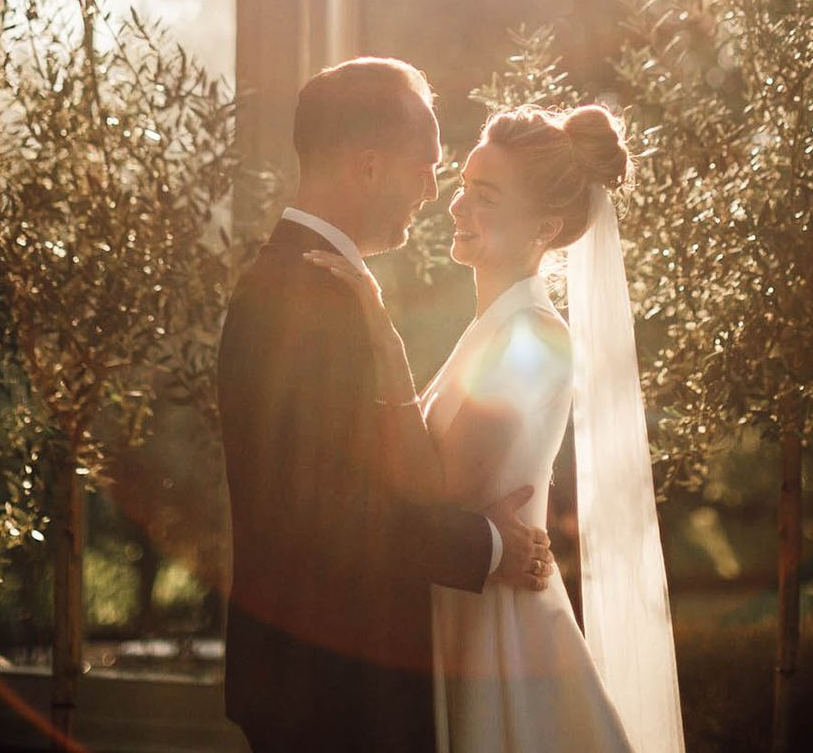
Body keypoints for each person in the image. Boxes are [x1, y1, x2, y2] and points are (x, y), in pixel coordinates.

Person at [308, 103, 685, 752]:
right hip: (461, 612)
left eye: (484, 196)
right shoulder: (491, 329)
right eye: (462, 187)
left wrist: (383, 336)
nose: (457, 207)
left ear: (545, 226)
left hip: (499, 643)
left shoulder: (535, 337)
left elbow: (442, 484)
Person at [216, 58, 556, 753]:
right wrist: (488, 546)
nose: (436, 193)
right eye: (428, 167)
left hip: (326, 682)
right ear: (368, 167)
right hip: (334, 693)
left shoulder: (311, 283)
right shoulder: (308, 299)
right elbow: (326, 513)